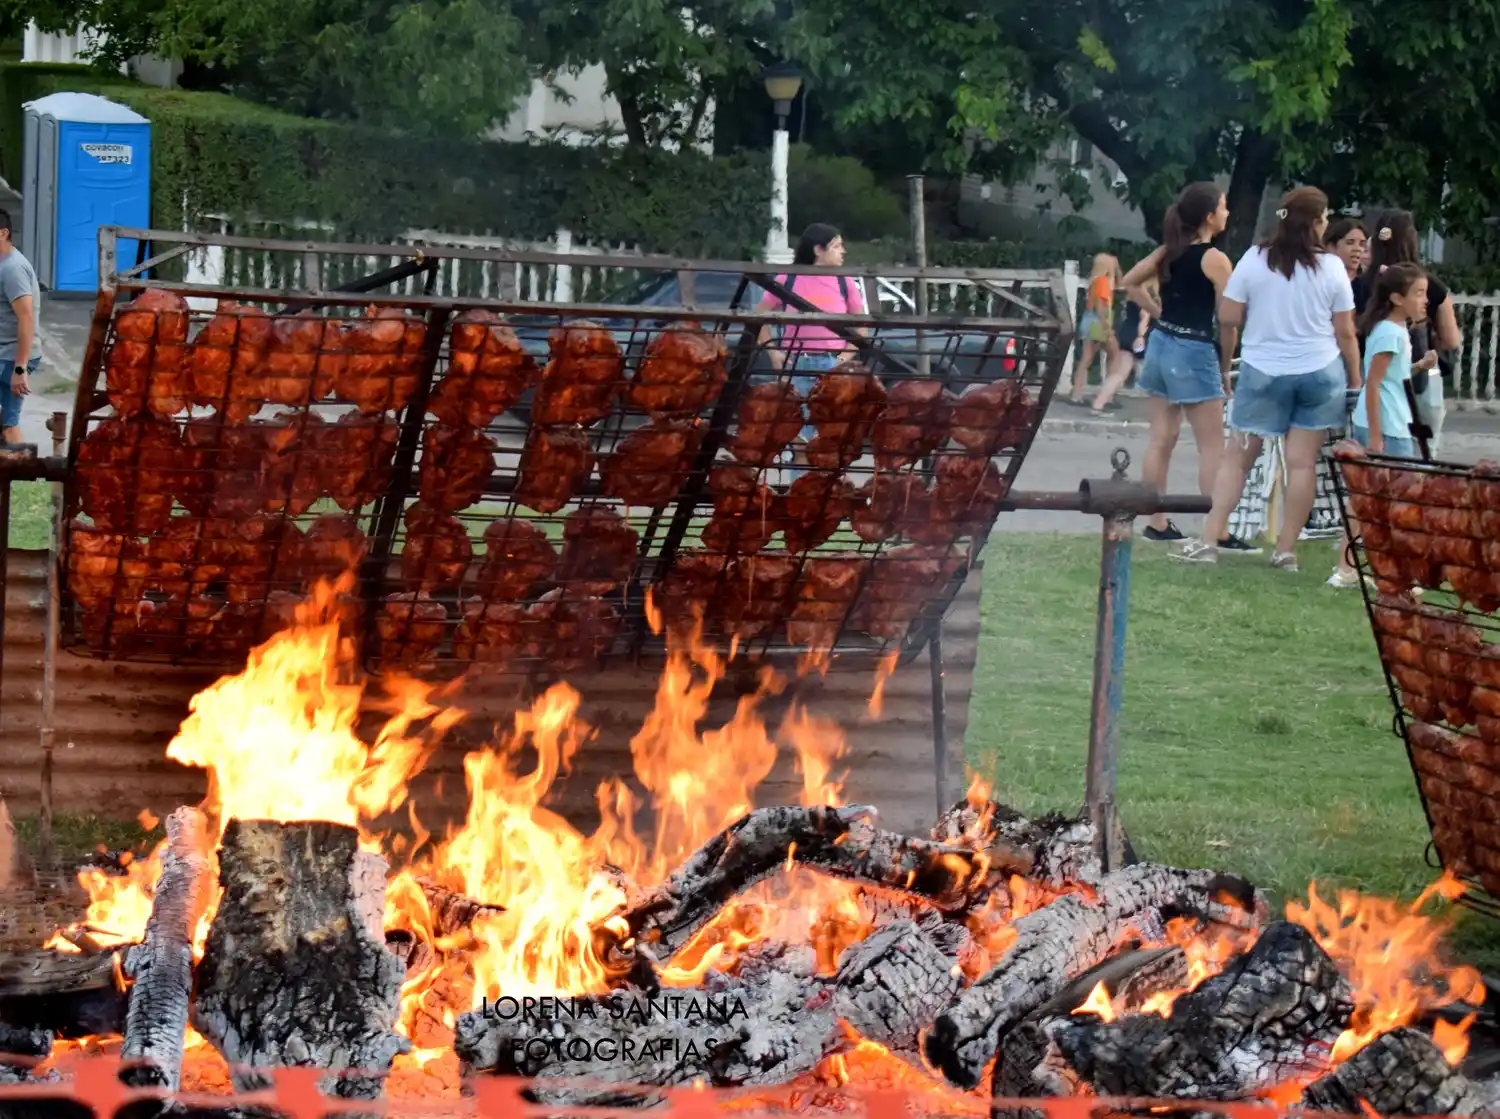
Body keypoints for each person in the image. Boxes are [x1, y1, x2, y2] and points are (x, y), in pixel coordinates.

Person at [1171, 187, 1361, 570]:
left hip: (1263, 371)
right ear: (1316, 222)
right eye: (1324, 219)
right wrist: (1354, 379)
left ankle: (1209, 539)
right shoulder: (1331, 267)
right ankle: (1285, 551)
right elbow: (1344, 332)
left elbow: (1228, 316)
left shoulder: (1256, 260)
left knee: (1238, 459)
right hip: (1319, 371)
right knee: (1302, 463)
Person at [1119, 182, 1250, 549]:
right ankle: (1217, 530)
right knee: (1212, 446)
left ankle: (1156, 522)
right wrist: (1224, 368)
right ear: (1209, 216)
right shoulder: (1215, 259)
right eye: (1223, 207)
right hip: (1193, 349)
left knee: (1161, 439)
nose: (1227, 213)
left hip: (1161, 345)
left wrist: (1159, 314)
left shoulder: (1168, 251)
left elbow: (1129, 282)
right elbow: (1227, 321)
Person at [1329, 263, 1428, 588]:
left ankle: (1348, 569)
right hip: (1386, 429)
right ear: (1398, 298)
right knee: (1398, 503)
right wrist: (1374, 437)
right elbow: (1372, 384)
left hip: (1390, 425)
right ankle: (1395, 573)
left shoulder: (1394, 331)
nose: (1424, 300)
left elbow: (1391, 377)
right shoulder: (1390, 331)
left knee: (1368, 501)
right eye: (1419, 293)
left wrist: (1417, 366)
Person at [756, 223, 865, 474]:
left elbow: (861, 325)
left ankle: (827, 498)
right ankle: (800, 499)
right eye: (837, 245)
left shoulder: (844, 282)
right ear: (818, 249)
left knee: (831, 435)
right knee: (800, 438)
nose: (843, 251)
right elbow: (758, 317)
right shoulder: (788, 279)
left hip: (832, 366)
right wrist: (774, 353)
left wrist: (843, 358)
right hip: (796, 364)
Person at [1361, 210, 1461, 454]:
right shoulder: (1430, 285)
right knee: (1423, 452)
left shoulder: (1360, 283)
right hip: (1420, 378)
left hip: (1369, 379)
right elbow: (1451, 339)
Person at [0, 210, 40, 447]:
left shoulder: (13, 269)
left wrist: (20, 368)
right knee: (7, 421)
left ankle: (14, 470)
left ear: (3, 233)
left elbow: (26, 319)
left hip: (11, 356)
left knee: (10, 424)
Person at [1090, 280, 1153, 414]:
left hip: (1125, 332)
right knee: (1120, 374)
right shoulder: (1146, 296)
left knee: (1118, 373)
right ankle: (1099, 404)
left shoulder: (1132, 295)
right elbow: (1145, 317)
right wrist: (1141, 337)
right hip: (1135, 334)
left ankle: (1103, 400)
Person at [1068, 253, 1121, 406]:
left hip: (1090, 320)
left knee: (1087, 358)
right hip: (1098, 322)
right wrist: (1107, 329)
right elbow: (1101, 307)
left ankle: (1077, 394)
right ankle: (1107, 395)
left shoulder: (1096, 281)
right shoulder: (1103, 282)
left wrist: (1115, 268)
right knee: (1115, 354)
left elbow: (1120, 281)